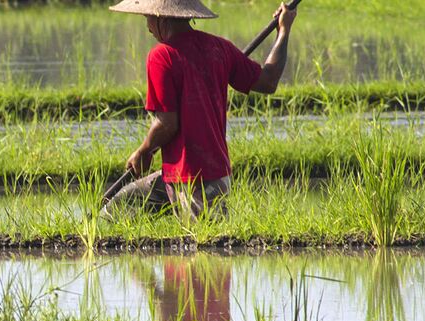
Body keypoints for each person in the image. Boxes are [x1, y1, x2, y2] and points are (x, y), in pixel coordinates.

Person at [102, 0, 296, 219]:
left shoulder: (162, 56)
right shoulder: (219, 48)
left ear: (160, 18)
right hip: (198, 177)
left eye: (147, 18)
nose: (147, 27)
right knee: (115, 210)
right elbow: (268, 81)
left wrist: (144, 151)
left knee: (204, 248)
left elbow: (166, 124)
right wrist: (283, 31)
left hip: (195, 184)